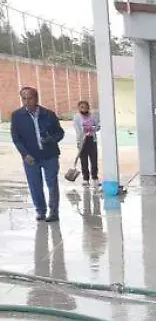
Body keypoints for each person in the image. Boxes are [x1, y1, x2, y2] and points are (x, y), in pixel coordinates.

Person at [11, 87, 64, 222]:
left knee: (52, 185)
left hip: (50, 156)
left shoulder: (49, 114)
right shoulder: (17, 116)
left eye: (30, 98)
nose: (27, 101)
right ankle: (40, 210)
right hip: (30, 158)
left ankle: (54, 212)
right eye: (24, 98)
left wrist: (51, 139)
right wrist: (25, 154)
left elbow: (60, 132)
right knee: (35, 185)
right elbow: (16, 138)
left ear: (36, 98)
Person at [72, 100, 99, 187]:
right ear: (79, 108)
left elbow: (97, 126)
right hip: (82, 140)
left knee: (94, 160)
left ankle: (95, 178)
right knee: (84, 161)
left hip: (91, 139)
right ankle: (86, 179)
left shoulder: (93, 116)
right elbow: (77, 130)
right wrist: (79, 142)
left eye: (86, 107)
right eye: (82, 107)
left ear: (88, 107)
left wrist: (93, 128)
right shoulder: (76, 117)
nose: (84, 108)